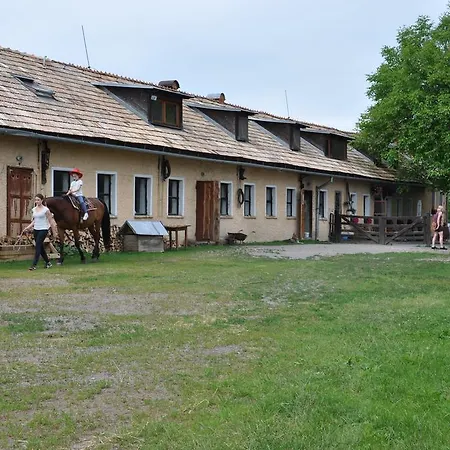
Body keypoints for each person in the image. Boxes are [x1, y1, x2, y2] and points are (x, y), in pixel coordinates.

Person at [22, 194, 58, 270]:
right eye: (36, 200)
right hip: (36, 229)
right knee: (40, 247)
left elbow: (50, 221)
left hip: (43, 229)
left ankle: (34, 265)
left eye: (38, 200)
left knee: (38, 246)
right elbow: (34, 221)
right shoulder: (34, 209)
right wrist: (28, 227)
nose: (37, 201)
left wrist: (54, 232)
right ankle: (48, 263)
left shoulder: (46, 210)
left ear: (42, 200)